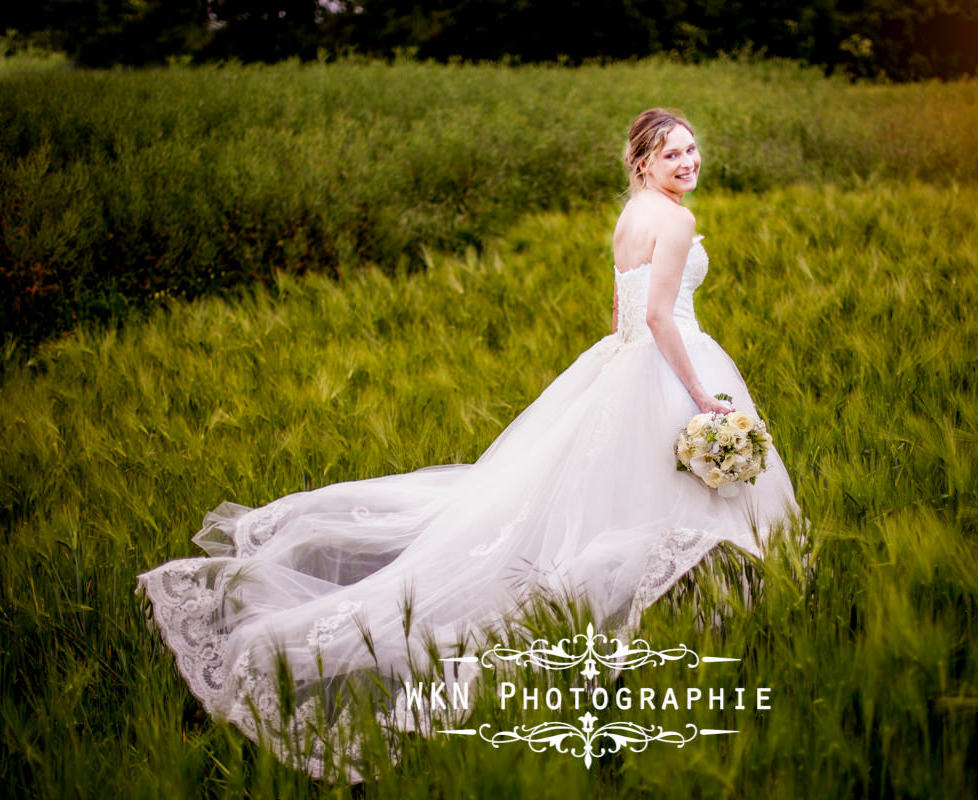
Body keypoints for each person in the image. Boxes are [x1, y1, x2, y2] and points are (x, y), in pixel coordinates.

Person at [137, 107, 803, 780]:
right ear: (643, 163)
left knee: (589, 511)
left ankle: (638, 651)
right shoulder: (679, 221)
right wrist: (702, 399)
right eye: (672, 156)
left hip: (619, 364)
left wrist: (633, 367)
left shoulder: (631, 216)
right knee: (665, 514)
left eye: (692, 151)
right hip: (668, 367)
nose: (688, 163)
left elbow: (619, 314)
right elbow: (659, 317)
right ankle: (648, 665)